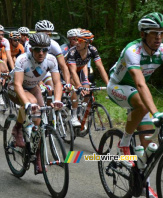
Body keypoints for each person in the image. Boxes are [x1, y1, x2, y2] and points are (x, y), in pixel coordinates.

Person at [107, 12, 163, 197]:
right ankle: (124, 142)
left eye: (162, 33)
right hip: (118, 86)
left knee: (147, 148)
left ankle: (144, 185)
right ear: (143, 34)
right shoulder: (132, 50)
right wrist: (156, 113)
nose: (159, 37)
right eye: (154, 33)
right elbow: (140, 83)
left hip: (136, 92)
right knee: (143, 106)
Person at [7, 32, 63, 173]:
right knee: (31, 103)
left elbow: (57, 83)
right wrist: (27, 103)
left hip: (33, 86)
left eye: (45, 49)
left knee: (39, 119)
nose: (41, 53)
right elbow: (18, 84)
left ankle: (37, 156)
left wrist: (57, 100)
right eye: (38, 49)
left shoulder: (51, 60)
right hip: (14, 87)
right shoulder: (22, 60)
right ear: (31, 49)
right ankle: (18, 127)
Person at [65, 29, 109, 127]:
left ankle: (82, 111)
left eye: (80, 41)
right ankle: (74, 116)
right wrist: (79, 86)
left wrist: (109, 84)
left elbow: (100, 67)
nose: (76, 43)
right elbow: (72, 71)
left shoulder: (92, 50)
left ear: (87, 43)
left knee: (88, 91)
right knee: (76, 90)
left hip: (80, 71)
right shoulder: (72, 52)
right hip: (68, 72)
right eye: (76, 40)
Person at [34, 20, 72, 90]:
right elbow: (30, 65)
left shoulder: (54, 44)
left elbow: (63, 66)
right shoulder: (30, 44)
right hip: (31, 71)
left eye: (49, 34)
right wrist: (39, 82)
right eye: (44, 34)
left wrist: (68, 83)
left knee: (51, 89)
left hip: (45, 70)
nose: (46, 37)